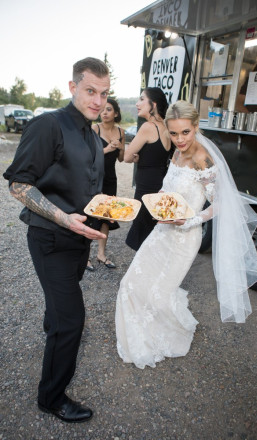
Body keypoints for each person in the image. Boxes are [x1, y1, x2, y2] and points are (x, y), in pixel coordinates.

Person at [115, 100, 257, 370]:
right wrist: (160, 197)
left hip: (185, 238)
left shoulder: (201, 158)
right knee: (131, 283)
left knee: (159, 293)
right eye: (173, 133)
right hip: (162, 231)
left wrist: (193, 219)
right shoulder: (176, 152)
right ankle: (140, 335)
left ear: (196, 127)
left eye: (186, 132)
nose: (180, 139)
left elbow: (221, 203)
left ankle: (168, 336)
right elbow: (169, 186)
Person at [3, 57, 110, 422]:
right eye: (90, 91)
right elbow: (18, 184)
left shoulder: (94, 137)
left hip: (79, 240)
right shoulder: (48, 125)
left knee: (59, 310)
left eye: (104, 93)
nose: (98, 100)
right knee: (72, 320)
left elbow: (86, 188)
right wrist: (65, 218)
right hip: (50, 239)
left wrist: (107, 211)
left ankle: (53, 328)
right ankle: (51, 397)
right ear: (73, 87)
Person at [125, 87, 173, 251]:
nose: (137, 104)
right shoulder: (166, 126)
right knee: (154, 229)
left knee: (142, 232)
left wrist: (136, 158)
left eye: (141, 99)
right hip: (161, 184)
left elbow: (126, 156)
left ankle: (141, 272)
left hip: (146, 186)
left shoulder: (148, 127)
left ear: (153, 104)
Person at [86, 98, 125, 271]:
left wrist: (121, 148)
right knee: (90, 215)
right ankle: (84, 256)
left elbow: (122, 159)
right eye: (102, 109)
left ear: (115, 113)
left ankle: (101, 254)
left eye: (109, 109)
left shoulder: (121, 131)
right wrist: (107, 149)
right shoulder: (95, 128)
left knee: (106, 217)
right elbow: (88, 156)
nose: (104, 112)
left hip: (111, 178)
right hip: (94, 177)